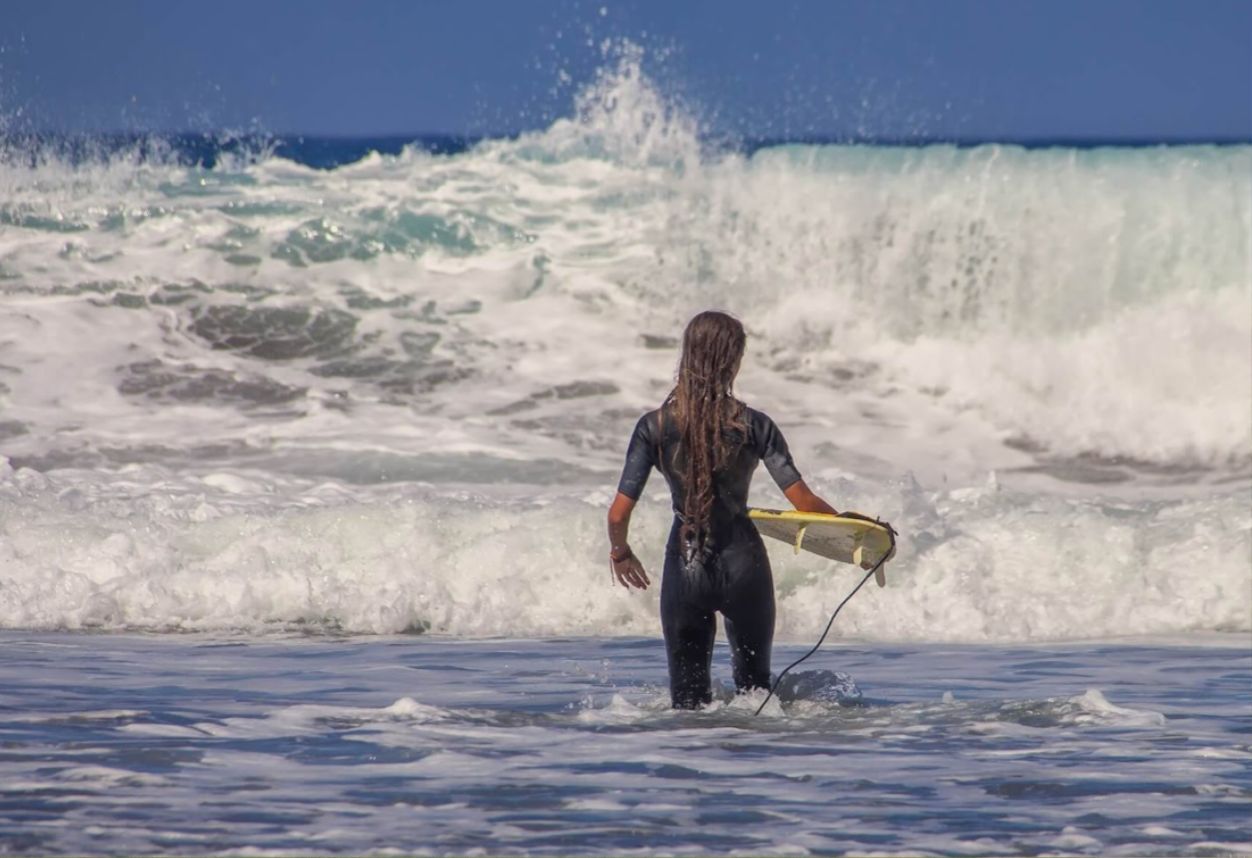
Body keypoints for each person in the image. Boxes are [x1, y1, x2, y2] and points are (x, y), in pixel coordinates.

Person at [607, 310, 839, 709]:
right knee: (756, 698)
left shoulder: (654, 426)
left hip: (686, 566)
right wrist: (851, 528)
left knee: (687, 705)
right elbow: (803, 502)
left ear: (688, 355)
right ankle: (745, 769)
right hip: (746, 567)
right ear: (732, 360)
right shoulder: (754, 425)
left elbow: (617, 514)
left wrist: (621, 552)